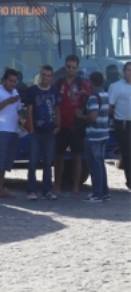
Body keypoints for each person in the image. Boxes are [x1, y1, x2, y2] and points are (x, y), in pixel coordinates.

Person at [22, 65, 61, 201]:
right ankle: (31, 190)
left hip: (50, 132)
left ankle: (47, 191)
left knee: (48, 162)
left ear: (52, 77)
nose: (45, 78)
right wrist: (31, 129)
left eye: (48, 75)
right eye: (43, 75)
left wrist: (58, 126)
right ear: (40, 75)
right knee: (33, 162)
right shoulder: (32, 91)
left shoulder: (55, 91)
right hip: (36, 132)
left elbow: (57, 109)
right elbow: (30, 110)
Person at [53, 54, 90, 198]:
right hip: (61, 124)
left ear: (77, 68)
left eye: (74, 67)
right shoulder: (58, 83)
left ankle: (76, 187)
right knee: (58, 157)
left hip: (76, 125)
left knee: (77, 157)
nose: (71, 69)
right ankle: (56, 185)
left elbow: (90, 100)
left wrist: (85, 95)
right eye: (68, 66)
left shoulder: (83, 84)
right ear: (65, 66)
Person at [0, 68, 22, 200]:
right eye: (10, 81)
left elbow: (18, 110)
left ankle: (0, 189)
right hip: (0, 130)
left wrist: (22, 118)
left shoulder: (16, 92)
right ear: (4, 80)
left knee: (6, 162)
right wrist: (8, 101)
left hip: (13, 130)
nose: (13, 84)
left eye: (15, 81)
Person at [79, 71, 110, 203]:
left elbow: (92, 116)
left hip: (93, 136)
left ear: (91, 82)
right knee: (100, 164)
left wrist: (80, 116)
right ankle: (105, 192)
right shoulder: (105, 95)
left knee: (94, 165)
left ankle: (97, 194)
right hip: (104, 134)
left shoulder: (93, 98)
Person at [106, 61, 131, 190]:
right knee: (127, 154)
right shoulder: (116, 87)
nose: (130, 73)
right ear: (123, 72)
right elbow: (110, 106)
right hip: (123, 124)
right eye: (128, 70)